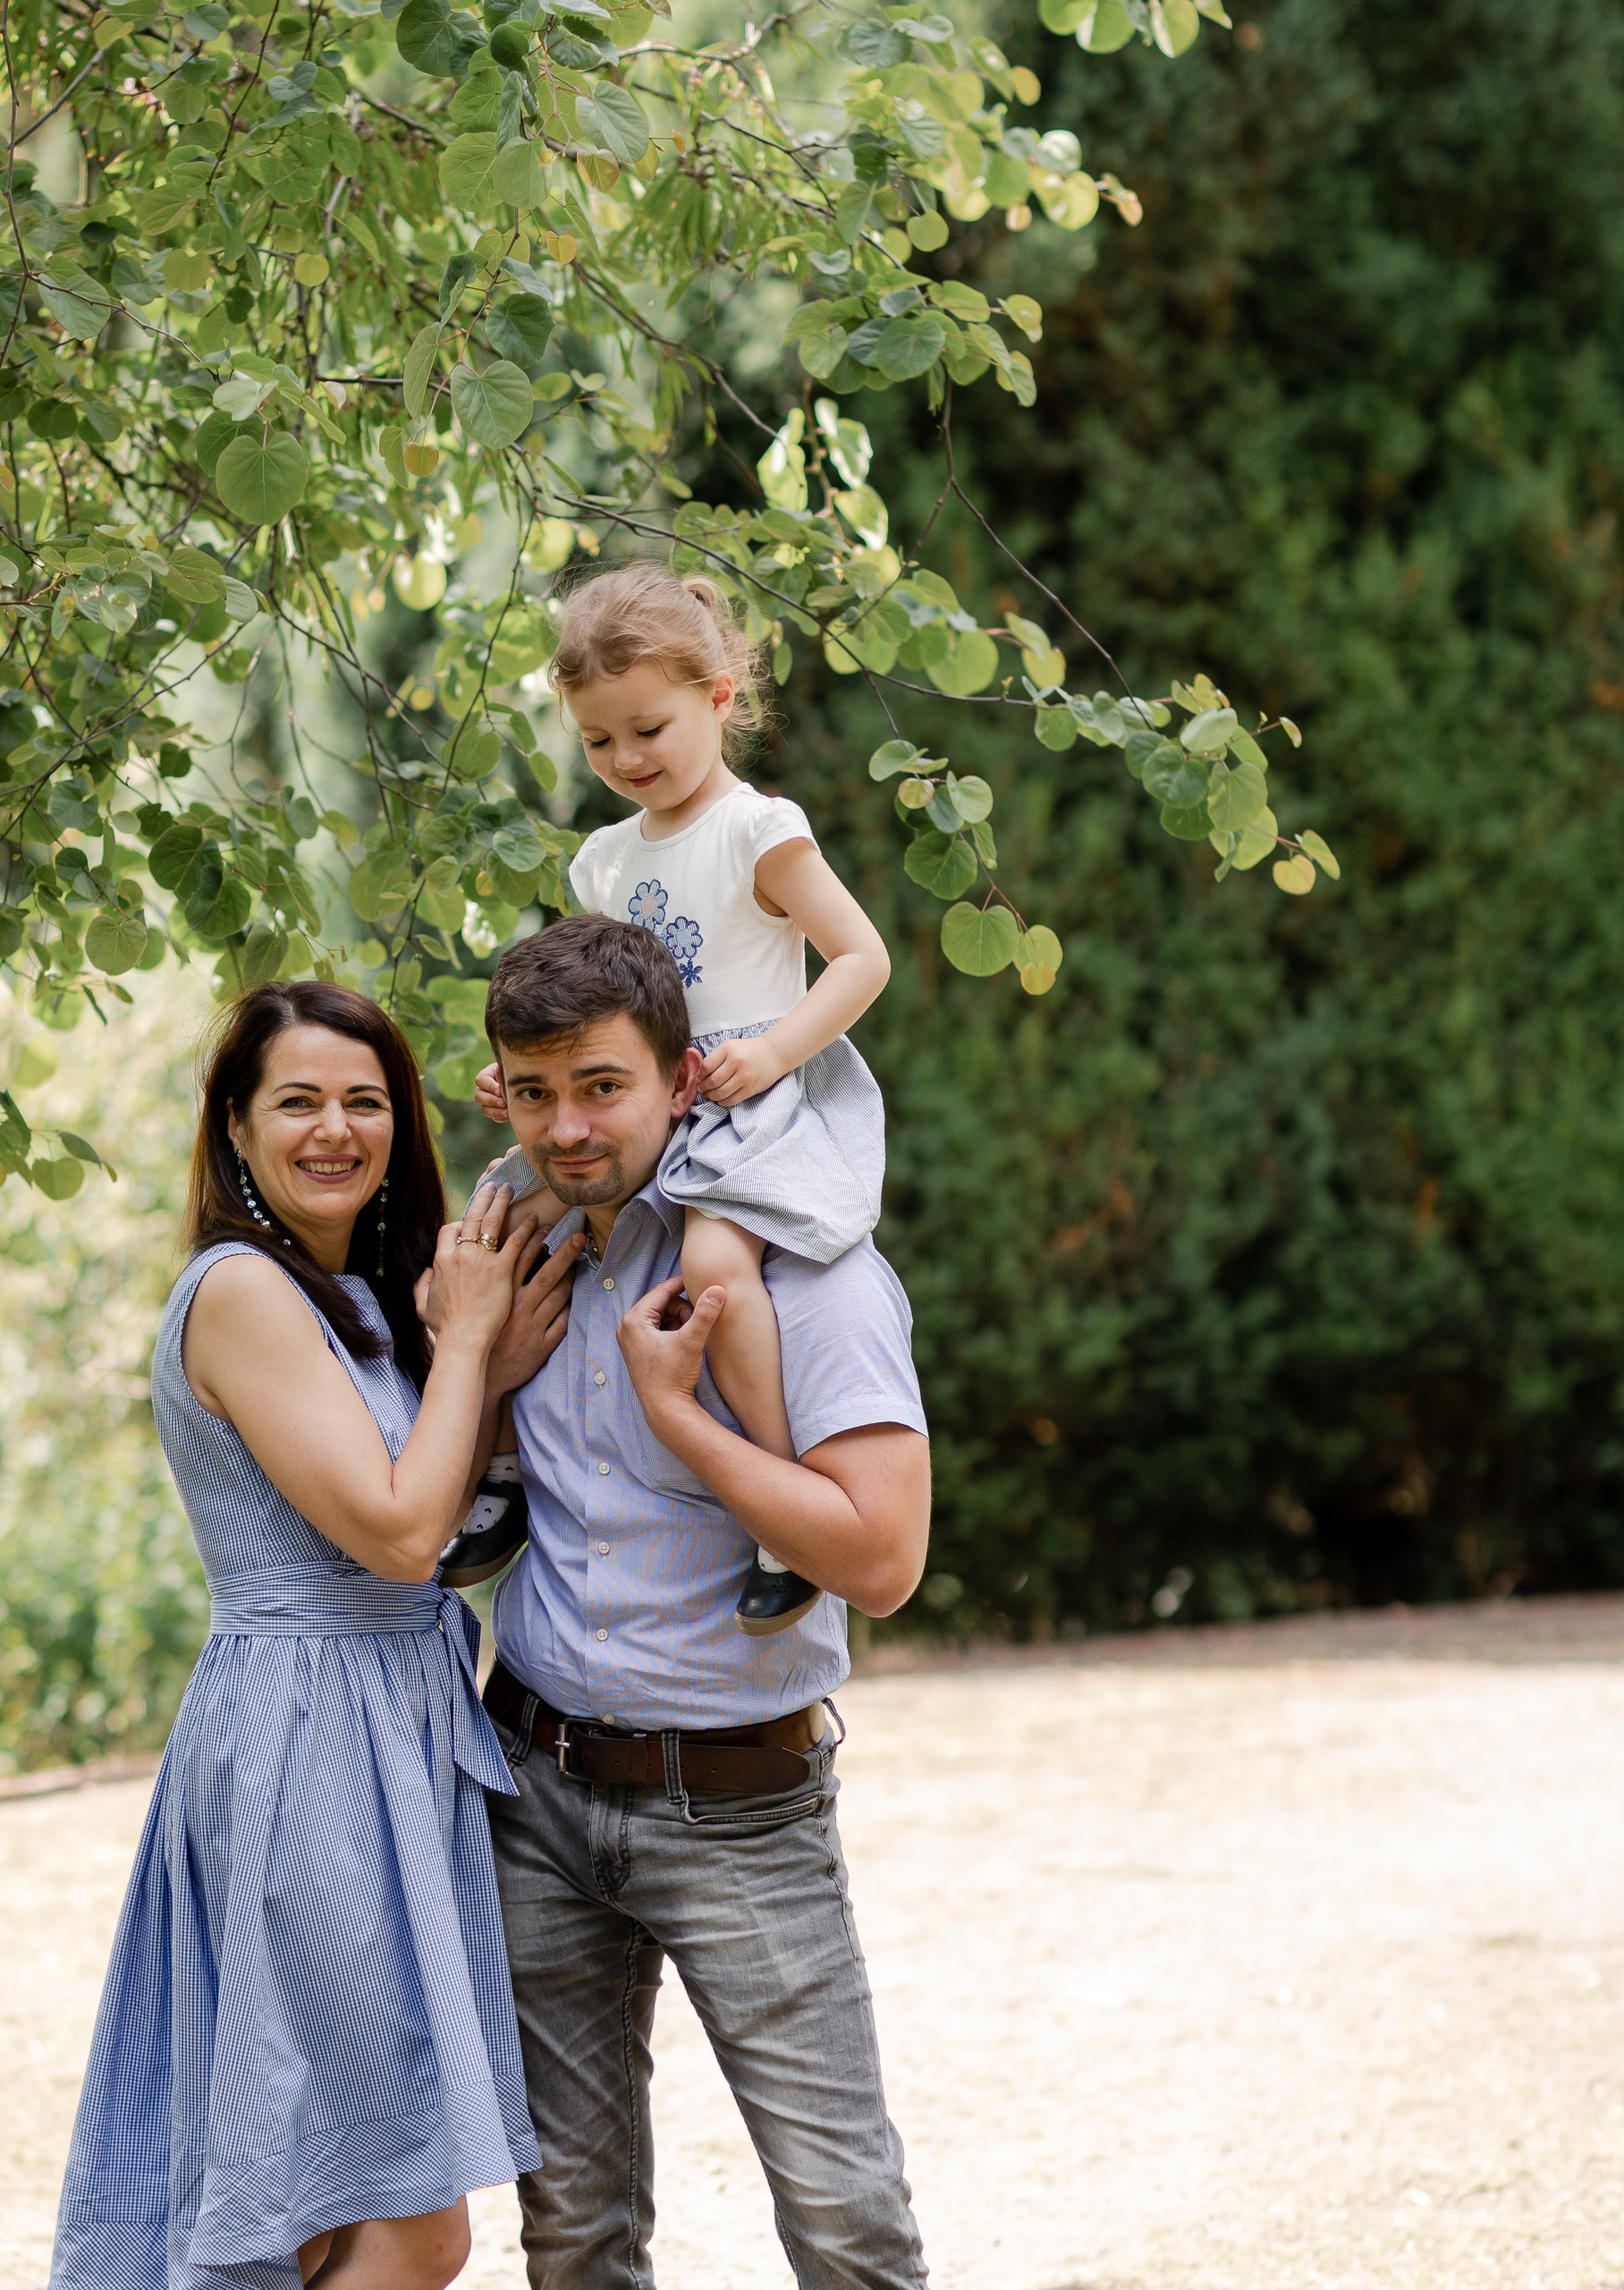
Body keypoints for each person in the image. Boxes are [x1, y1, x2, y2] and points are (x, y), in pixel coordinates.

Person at [47, 980, 582, 2290]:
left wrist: (482, 1376)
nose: (335, 1128)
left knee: (334, 2201)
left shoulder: (348, 1303)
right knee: (409, 2216)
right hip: (308, 1749)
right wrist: (467, 1351)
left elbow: (441, 1526)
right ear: (235, 1128)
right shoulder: (240, 1294)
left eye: (365, 1100)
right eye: (297, 1101)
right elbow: (402, 1538)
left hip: (391, 1730)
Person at [479, 913, 933, 2290]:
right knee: (573, 2235)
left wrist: (688, 1421)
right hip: (538, 1795)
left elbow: (882, 1562)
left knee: (847, 2228)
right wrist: (481, 1371)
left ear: (683, 1080)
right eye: (537, 1090)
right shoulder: (523, 1266)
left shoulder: (812, 1277)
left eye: (602, 1086)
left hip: (739, 1809)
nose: (568, 1127)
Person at [458, 563, 892, 1633]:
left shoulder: (758, 830)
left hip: (742, 1097)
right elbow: (595, 1004)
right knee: (492, 1232)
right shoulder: (604, 859)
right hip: (638, 1100)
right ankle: (500, 1469)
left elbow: (860, 959)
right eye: (599, 741)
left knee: (712, 1265)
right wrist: (529, 1076)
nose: (626, 759)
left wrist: (778, 1050)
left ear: (718, 697)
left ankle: (775, 1502)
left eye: (647, 729)